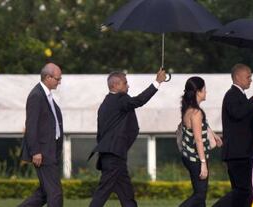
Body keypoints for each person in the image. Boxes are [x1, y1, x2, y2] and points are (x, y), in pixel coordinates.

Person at [88, 68, 166, 207]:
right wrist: (157, 82)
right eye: (125, 83)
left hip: (112, 155)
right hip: (113, 156)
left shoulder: (105, 103)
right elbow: (139, 100)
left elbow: (101, 133)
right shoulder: (120, 99)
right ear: (115, 86)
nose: (128, 86)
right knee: (103, 192)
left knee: (126, 195)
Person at [214, 63, 253, 207]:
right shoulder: (231, 95)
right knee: (244, 190)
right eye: (248, 77)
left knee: (244, 193)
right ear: (237, 77)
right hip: (237, 153)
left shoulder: (240, 96)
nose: (250, 80)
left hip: (244, 152)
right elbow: (238, 113)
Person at [19, 63, 64, 207]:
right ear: (48, 77)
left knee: (44, 192)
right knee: (55, 193)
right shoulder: (36, 95)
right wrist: (36, 151)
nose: (59, 82)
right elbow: (31, 126)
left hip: (51, 150)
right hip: (43, 152)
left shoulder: (47, 95)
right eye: (57, 79)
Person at [179, 76, 223, 207]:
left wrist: (214, 135)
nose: (206, 92)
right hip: (196, 158)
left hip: (189, 157)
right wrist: (203, 164)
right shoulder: (196, 112)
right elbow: (198, 139)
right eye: (204, 89)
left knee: (200, 197)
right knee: (199, 196)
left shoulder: (189, 109)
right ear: (198, 91)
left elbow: (201, 126)